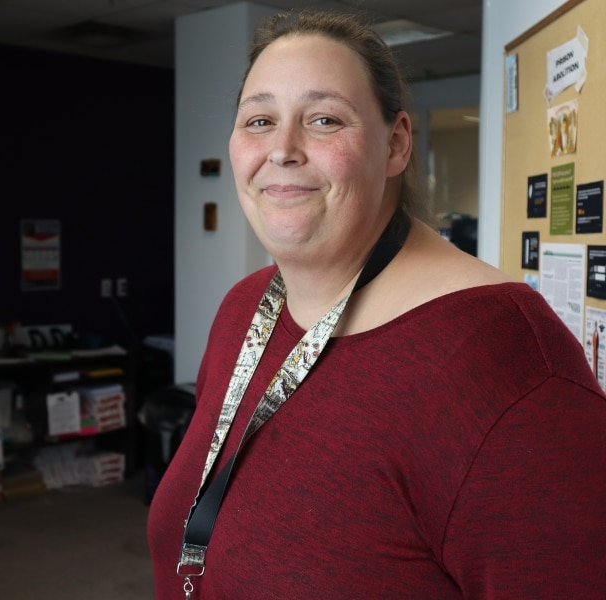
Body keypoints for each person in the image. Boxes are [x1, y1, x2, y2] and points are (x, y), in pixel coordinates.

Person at [147, 9, 606, 599]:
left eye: (324, 119)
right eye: (259, 120)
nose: (282, 149)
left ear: (396, 144)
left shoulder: (509, 368)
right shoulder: (245, 311)